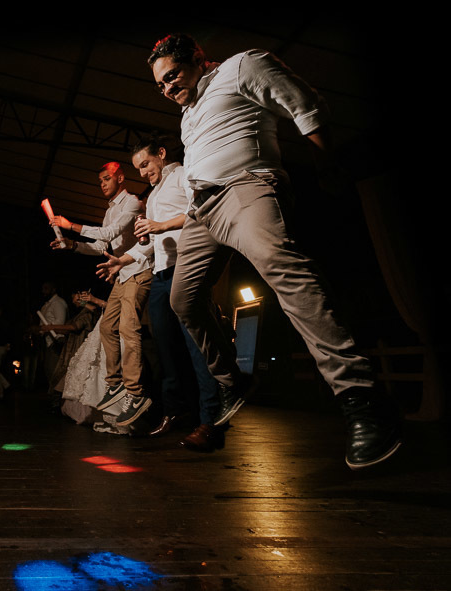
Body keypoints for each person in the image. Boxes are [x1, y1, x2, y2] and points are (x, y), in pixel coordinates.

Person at [146, 34, 401, 468]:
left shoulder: (242, 66)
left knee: (284, 269)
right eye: (161, 85)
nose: (168, 88)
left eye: (173, 75)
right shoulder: (188, 116)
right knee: (182, 300)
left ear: (198, 59)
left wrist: (325, 163)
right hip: (201, 212)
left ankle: (361, 400)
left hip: (246, 188)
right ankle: (233, 383)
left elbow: (304, 102)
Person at [97, 134, 221, 452]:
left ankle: (210, 420)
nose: (143, 172)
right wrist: (122, 259)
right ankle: (175, 412)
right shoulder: (152, 195)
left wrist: (161, 226)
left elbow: (201, 211)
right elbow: (150, 246)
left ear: (162, 154)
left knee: (195, 348)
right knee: (167, 349)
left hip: (186, 269)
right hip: (160, 276)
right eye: (138, 167)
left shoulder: (182, 175)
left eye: (146, 164)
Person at [51, 163, 152, 427]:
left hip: (138, 271)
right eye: (100, 181)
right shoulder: (110, 211)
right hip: (121, 276)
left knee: (129, 329)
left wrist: (70, 225)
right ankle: (115, 385)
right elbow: (100, 246)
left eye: (106, 179)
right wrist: (72, 245)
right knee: (107, 328)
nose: (102, 184)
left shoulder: (131, 203)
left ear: (120, 177)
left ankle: (135, 392)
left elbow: (109, 234)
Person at [37, 281, 68, 387]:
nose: (43, 291)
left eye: (46, 288)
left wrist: (46, 327)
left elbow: (60, 322)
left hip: (56, 342)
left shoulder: (58, 303)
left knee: (54, 371)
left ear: (53, 289)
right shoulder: (47, 304)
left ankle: (57, 399)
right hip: (47, 341)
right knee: (48, 370)